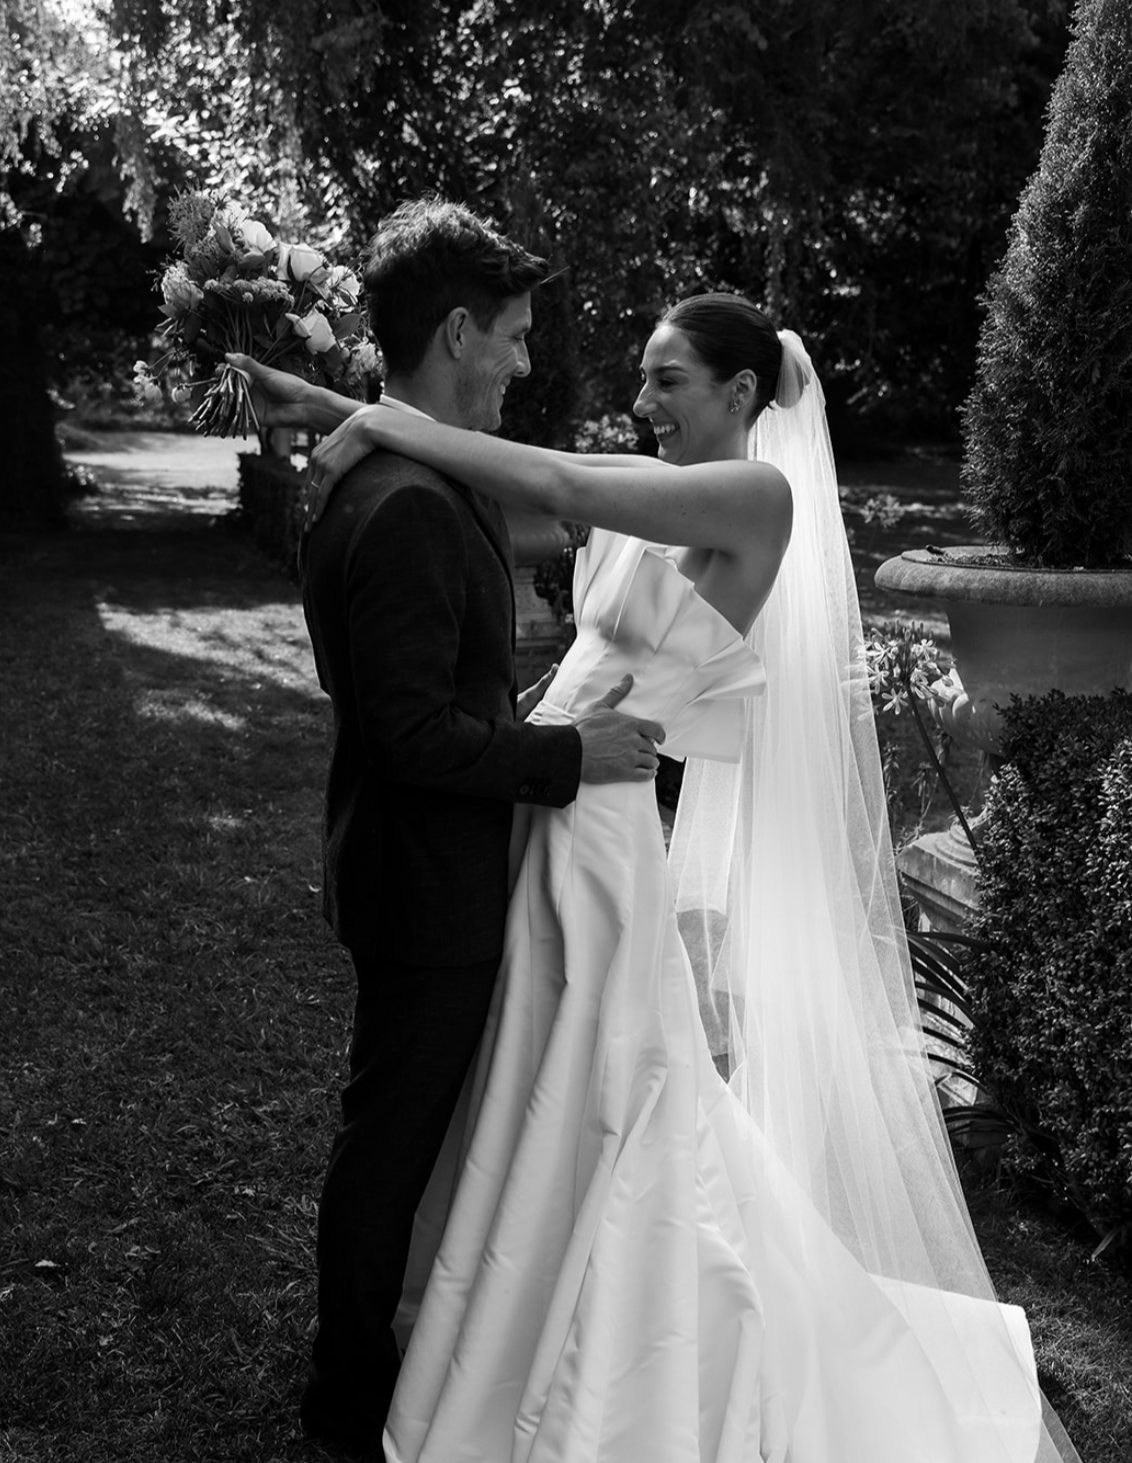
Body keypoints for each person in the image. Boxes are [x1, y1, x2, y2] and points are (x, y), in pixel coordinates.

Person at [239, 296, 1079, 1460]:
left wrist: (371, 418)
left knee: (602, 1094)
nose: (644, 403)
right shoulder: (652, 489)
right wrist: (331, 404)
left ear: (742, 394)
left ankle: (598, 1342)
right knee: (527, 1074)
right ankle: (507, 1309)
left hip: (600, 832)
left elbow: (553, 480)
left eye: (668, 379)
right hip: (540, 800)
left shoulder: (755, 498)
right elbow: (507, 482)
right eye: (644, 377)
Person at [269, 197, 665, 1462]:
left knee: (405, 1130)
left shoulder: (407, 474)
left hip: (413, 864)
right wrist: (573, 754)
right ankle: (346, 1397)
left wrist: (535, 701)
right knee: (389, 1142)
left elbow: (439, 693)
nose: (525, 362)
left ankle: (406, 1344)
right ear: (455, 333)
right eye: (514, 336)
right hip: (423, 880)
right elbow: (409, 735)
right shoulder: (409, 503)